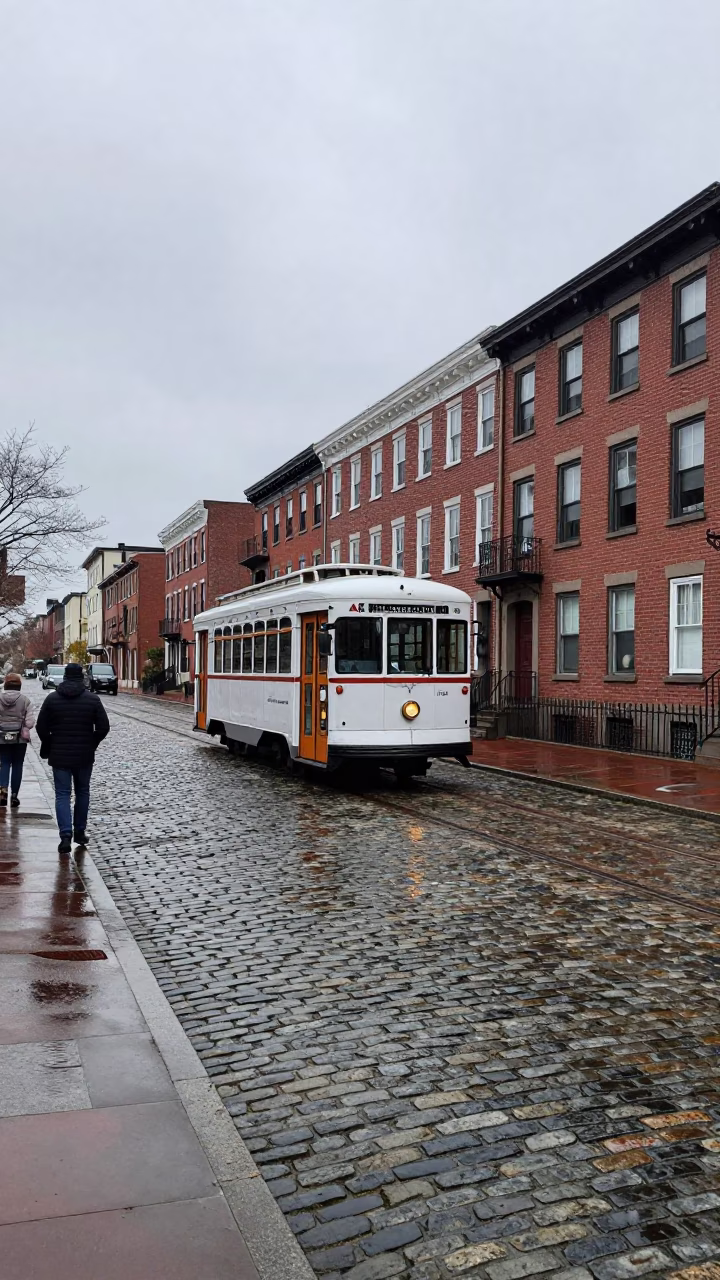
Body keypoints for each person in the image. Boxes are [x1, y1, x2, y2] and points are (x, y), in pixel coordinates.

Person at [36, 662, 110, 855]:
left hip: (59, 754)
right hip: (84, 754)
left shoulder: (52, 700)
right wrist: (92, 742)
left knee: (62, 794)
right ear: (82, 677)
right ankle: (80, 832)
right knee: (82, 792)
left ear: (65, 677)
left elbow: (41, 727)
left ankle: (65, 836)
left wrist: (50, 742)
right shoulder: (92, 700)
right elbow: (103, 727)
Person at [0, 673, 35, 808]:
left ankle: (2, 793)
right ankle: (14, 796)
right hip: (19, 737)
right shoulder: (25, 700)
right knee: (17, 764)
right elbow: (30, 722)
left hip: (1, 736)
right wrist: (24, 726)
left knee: (4, 763)